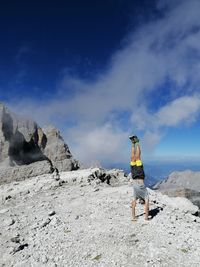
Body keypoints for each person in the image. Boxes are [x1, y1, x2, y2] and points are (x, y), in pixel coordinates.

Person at [129, 135, 149, 221]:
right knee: (138, 157)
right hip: (139, 175)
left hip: (134, 176)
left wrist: (133, 217)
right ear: (143, 201)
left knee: (132, 158)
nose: (141, 203)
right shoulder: (145, 195)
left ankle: (133, 143)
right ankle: (137, 142)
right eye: (142, 203)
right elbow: (147, 206)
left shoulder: (136, 194)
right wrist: (146, 217)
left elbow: (133, 204)